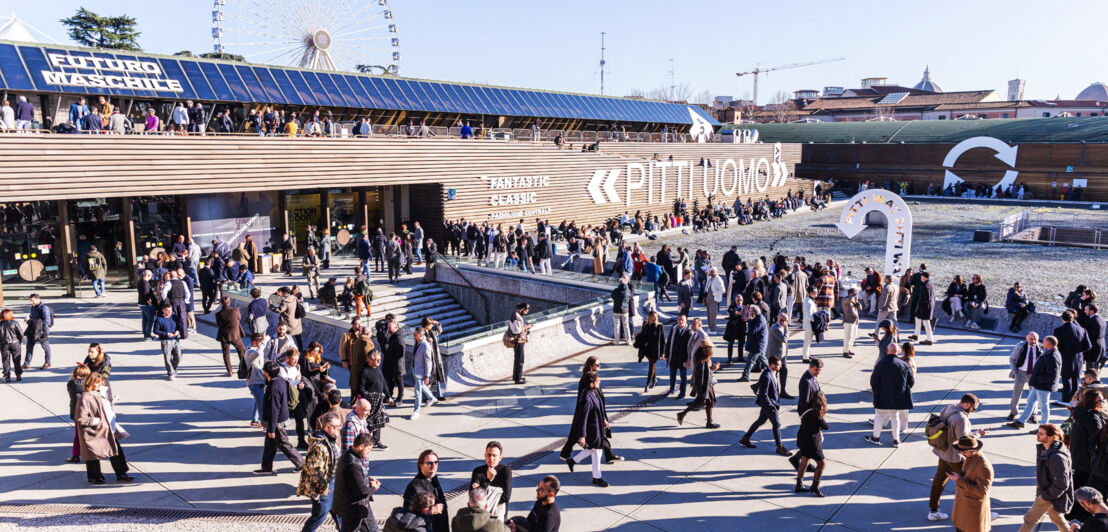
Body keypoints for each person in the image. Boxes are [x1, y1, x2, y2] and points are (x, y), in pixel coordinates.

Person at [929, 394, 983, 522]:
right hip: (954, 457)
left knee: (938, 482)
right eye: (973, 408)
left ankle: (933, 511)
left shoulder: (948, 408)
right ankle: (979, 512)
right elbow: (963, 441)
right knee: (970, 484)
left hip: (942, 452)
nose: (973, 411)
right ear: (966, 405)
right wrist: (978, 435)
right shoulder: (961, 419)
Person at [75, 373, 134, 484]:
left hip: (108, 429)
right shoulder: (85, 397)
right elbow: (80, 418)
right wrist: (96, 421)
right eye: (97, 383)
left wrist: (112, 401)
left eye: (100, 382)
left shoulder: (101, 394)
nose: (99, 384)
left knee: (116, 452)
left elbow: (103, 408)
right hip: (94, 431)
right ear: (90, 383)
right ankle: (94, 477)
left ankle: (121, 474)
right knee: (93, 455)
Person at [1017, 424, 1073, 532]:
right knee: (1057, 518)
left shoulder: (1057, 457)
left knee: (1029, 520)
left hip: (1049, 494)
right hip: (1048, 492)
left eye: (1041, 433)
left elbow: (1062, 483)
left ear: (1051, 437)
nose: (1037, 435)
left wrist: (1045, 496)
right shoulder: (1045, 449)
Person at [255, 360, 305, 475]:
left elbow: (274, 410)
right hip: (279, 419)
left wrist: (272, 429)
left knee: (284, 444)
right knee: (269, 445)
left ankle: (301, 463)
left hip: (276, 422)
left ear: (266, 373)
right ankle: (266, 468)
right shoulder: (280, 380)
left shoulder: (273, 389)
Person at [565, 372, 612, 487]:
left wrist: (604, 420)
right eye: (597, 381)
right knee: (597, 451)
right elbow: (583, 418)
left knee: (593, 449)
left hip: (598, 427)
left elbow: (600, 406)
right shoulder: (586, 398)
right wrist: (582, 436)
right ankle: (597, 477)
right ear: (591, 384)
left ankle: (573, 461)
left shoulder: (594, 392)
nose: (599, 382)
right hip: (592, 430)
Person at [298, 412, 343, 532]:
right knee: (319, 515)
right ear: (327, 427)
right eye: (336, 426)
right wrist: (323, 488)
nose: (339, 429)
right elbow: (315, 471)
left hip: (334, 484)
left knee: (339, 512)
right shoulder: (319, 446)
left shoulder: (331, 440)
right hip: (326, 486)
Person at [740, 355, 791, 456]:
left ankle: (746, 438)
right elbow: (764, 395)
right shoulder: (766, 375)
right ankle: (779, 447)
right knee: (777, 424)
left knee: (761, 420)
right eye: (779, 365)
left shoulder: (773, 372)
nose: (781, 367)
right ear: (772, 365)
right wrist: (771, 407)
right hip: (770, 405)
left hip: (769, 404)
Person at [1008, 336, 1063, 430]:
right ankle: (1021, 421)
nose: (1042, 342)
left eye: (1044, 341)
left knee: (1044, 406)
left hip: (1043, 386)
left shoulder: (1053, 356)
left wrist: (1038, 380)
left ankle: (1043, 427)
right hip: (1038, 384)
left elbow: (1052, 375)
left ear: (1049, 344)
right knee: (1031, 401)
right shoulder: (1049, 352)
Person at [865, 342, 914, 447]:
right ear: (898, 352)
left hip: (882, 396)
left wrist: (877, 391)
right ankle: (896, 440)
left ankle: (875, 438)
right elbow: (911, 381)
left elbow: (873, 380)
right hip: (898, 397)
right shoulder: (904, 364)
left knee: (879, 417)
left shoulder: (881, 363)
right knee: (895, 417)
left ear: (887, 351)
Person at [333, 432, 381, 532]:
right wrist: (374, 487)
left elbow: (355, 478)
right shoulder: (353, 464)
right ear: (361, 446)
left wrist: (368, 480)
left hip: (351, 507)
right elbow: (362, 492)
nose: (369, 452)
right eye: (368, 449)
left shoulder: (348, 454)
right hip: (355, 509)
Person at [1070, 389, 1106, 521]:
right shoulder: (1092, 417)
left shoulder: (1081, 413)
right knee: (1085, 488)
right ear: (1093, 402)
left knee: (1079, 484)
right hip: (1087, 460)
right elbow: (1099, 437)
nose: (1103, 403)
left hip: (1079, 457)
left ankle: (1072, 512)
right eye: (1100, 400)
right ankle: (1080, 514)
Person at [948, 435, 994, 532]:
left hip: (972, 513)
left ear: (974, 451)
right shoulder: (971, 458)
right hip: (965, 509)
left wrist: (958, 480)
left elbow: (982, 492)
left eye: (964, 451)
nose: (962, 453)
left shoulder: (984, 466)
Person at [676, 340, 720, 429]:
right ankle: (708, 421)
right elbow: (703, 375)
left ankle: (708, 421)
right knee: (706, 402)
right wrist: (714, 369)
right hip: (706, 385)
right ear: (707, 350)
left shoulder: (702, 358)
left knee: (707, 402)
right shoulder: (703, 360)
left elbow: (706, 372)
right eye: (710, 348)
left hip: (706, 385)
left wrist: (712, 368)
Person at [404, 450, 449, 532]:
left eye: (436, 462)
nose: (433, 466)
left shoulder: (433, 478)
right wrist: (430, 511)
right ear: (420, 465)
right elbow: (408, 518)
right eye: (429, 463)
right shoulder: (413, 487)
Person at [794, 391, 829, 497]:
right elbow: (826, 426)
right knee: (822, 464)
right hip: (812, 442)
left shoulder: (806, 409)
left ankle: (799, 484)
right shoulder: (817, 414)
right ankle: (815, 486)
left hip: (802, 439)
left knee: (804, 461)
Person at [1056, 309, 1093, 402]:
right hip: (1078, 358)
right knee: (1076, 380)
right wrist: (1078, 351)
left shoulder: (1059, 330)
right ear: (1072, 319)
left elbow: (1057, 346)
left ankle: (1065, 400)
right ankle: (1075, 400)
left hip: (1065, 358)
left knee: (1066, 380)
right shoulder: (1082, 330)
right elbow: (1088, 346)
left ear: (1062, 319)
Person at [470, 441, 512, 522]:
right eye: (489, 455)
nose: (491, 458)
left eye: (494, 455)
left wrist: (481, 491)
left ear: (500, 458)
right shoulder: (478, 471)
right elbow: (473, 496)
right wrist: (488, 480)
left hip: (499, 517)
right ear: (485, 456)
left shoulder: (505, 471)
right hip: (481, 516)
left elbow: (506, 497)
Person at [1008, 332, 1041, 422]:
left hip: (1034, 374)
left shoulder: (1041, 348)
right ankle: (1013, 412)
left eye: (1035, 339)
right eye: (1031, 339)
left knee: (1034, 395)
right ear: (1027, 339)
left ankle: (1033, 414)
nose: (1033, 341)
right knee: (1016, 393)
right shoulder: (1020, 347)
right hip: (1021, 373)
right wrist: (1015, 372)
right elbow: (1012, 359)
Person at [215, 296, 246, 377]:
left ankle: (229, 371)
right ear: (229, 302)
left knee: (226, 354)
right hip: (235, 334)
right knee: (241, 350)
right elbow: (239, 318)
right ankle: (243, 368)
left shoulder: (218, 314)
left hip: (224, 335)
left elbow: (218, 324)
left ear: (221, 303)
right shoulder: (235, 311)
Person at [411, 328, 437, 420]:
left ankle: (416, 411)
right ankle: (431, 398)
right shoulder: (416, 342)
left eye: (415, 334)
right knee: (421, 386)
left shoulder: (425, 345)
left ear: (421, 335)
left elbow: (428, 362)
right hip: (415, 369)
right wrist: (413, 365)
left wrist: (427, 376)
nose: (413, 335)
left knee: (417, 391)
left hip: (421, 372)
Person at [23, 293, 53, 370]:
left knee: (45, 347)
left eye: (32, 301)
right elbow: (32, 316)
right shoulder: (33, 307)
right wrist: (29, 319)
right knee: (29, 346)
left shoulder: (44, 308)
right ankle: (27, 363)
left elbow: (47, 321)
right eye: (30, 301)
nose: (31, 303)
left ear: (38, 299)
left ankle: (47, 362)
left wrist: (36, 323)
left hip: (42, 331)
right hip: (33, 330)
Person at [637, 310, 665, 391]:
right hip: (647, 349)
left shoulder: (660, 326)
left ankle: (647, 384)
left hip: (656, 350)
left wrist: (663, 352)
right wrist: (643, 342)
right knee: (652, 365)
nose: (654, 319)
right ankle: (654, 380)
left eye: (656, 317)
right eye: (653, 317)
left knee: (651, 366)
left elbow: (663, 340)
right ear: (649, 318)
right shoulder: (646, 325)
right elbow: (643, 335)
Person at [665, 314, 691, 398]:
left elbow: (690, 346)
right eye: (679, 320)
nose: (681, 321)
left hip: (683, 358)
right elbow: (669, 342)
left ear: (686, 321)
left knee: (683, 376)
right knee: (672, 374)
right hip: (674, 356)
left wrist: (688, 360)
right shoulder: (674, 328)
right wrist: (667, 354)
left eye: (682, 320)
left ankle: (682, 393)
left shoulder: (689, 331)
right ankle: (672, 389)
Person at [766, 312, 792, 398]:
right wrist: (786, 329)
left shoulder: (781, 327)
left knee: (784, 372)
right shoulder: (774, 328)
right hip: (775, 356)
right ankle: (758, 386)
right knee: (773, 374)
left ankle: (783, 391)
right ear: (780, 320)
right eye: (786, 321)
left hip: (782, 356)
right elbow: (784, 339)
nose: (787, 322)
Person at [153, 304, 183, 380]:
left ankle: (173, 368)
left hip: (175, 340)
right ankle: (171, 373)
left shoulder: (174, 317)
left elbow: (179, 325)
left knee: (178, 356)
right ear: (163, 310)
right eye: (167, 310)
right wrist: (166, 334)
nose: (169, 312)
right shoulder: (159, 319)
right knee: (167, 358)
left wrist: (178, 331)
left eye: (170, 310)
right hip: (166, 341)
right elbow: (155, 330)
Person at [245, 333, 268, 428]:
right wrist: (265, 340)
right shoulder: (250, 352)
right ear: (254, 341)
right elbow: (258, 353)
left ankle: (254, 421)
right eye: (260, 340)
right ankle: (265, 426)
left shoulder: (258, 350)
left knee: (258, 401)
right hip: (254, 382)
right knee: (262, 403)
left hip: (261, 380)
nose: (261, 342)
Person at [738, 306, 766, 383]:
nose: (748, 313)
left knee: (750, 361)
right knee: (763, 359)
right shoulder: (758, 318)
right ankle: (773, 370)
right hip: (757, 344)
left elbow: (753, 331)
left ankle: (745, 376)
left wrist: (750, 320)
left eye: (749, 311)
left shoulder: (760, 320)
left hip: (757, 345)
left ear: (754, 312)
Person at [382, 319, 406, 406]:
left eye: (389, 327)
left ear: (396, 327)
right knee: (391, 380)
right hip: (392, 363)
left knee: (399, 382)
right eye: (388, 327)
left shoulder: (398, 338)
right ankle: (390, 395)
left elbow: (401, 351)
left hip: (397, 365)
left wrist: (394, 358)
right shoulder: (393, 335)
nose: (388, 329)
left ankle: (400, 398)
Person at [909, 271, 935, 346]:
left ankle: (929, 339)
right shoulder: (931, 284)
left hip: (924, 306)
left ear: (925, 277)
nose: (921, 278)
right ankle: (916, 335)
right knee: (917, 318)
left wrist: (919, 304)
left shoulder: (925, 286)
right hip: (928, 305)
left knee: (926, 322)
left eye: (922, 276)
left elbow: (925, 298)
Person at [509, 303, 531, 385]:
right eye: (525, 311)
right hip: (518, 340)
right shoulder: (516, 317)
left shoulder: (516, 314)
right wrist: (526, 328)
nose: (526, 313)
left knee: (517, 358)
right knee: (520, 359)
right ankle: (518, 379)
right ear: (522, 309)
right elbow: (516, 331)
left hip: (519, 339)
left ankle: (516, 376)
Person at [0, 309, 23, 382]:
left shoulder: (0, 324)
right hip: (15, 343)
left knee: (5, 361)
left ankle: (7, 376)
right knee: (17, 360)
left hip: (4, 344)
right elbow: (21, 334)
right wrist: (19, 341)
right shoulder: (15, 323)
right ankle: (18, 375)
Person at [724, 294, 748, 364]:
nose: (739, 302)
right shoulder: (732, 306)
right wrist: (736, 313)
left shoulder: (745, 307)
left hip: (741, 328)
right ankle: (729, 359)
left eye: (741, 300)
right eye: (738, 300)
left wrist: (746, 319)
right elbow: (730, 310)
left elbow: (748, 316)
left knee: (741, 344)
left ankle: (740, 357)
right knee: (730, 344)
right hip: (733, 329)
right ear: (735, 301)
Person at [610, 276, 632, 346]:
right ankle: (628, 341)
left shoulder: (616, 290)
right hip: (625, 310)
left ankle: (616, 341)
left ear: (619, 283)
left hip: (616, 310)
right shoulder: (628, 291)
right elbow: (630, 298)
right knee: (626, 326)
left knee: (617, 326)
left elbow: (612, 296)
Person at [841, 288, 861, 357]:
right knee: (848, 337)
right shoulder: (845, 299)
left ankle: (849, 349)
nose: (856, 295)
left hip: (855, 321)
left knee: (854, 336)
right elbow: (848, 301)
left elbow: (860, 308)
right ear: (850, 293)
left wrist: (857, 302)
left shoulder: (854, 301)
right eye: (855, 294)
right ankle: (845, 352)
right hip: (848, 321)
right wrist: (852, 296)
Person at [704, 268, 725, 332]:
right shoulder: (709, 278)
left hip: (714, 299)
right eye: (711, 272)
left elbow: (723, 290)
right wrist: (704, 298)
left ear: (716, 272)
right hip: (708, 298)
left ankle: (713, 330)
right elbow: (707, 288)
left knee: (713, 315)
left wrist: (715, 293)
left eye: (713, 272)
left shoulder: (719, 279)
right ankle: (710, 328)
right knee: (709, 315)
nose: (712, 273)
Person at [1087, 304, 1107, 372]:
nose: (1084, 311)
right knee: (1095, 370)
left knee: (1091, 371)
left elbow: (1089, 335)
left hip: (1094, 348)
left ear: (1092, 311)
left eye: (1086, 310)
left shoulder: (1092, 321)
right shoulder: (1101, 319)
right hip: (1101, 345)